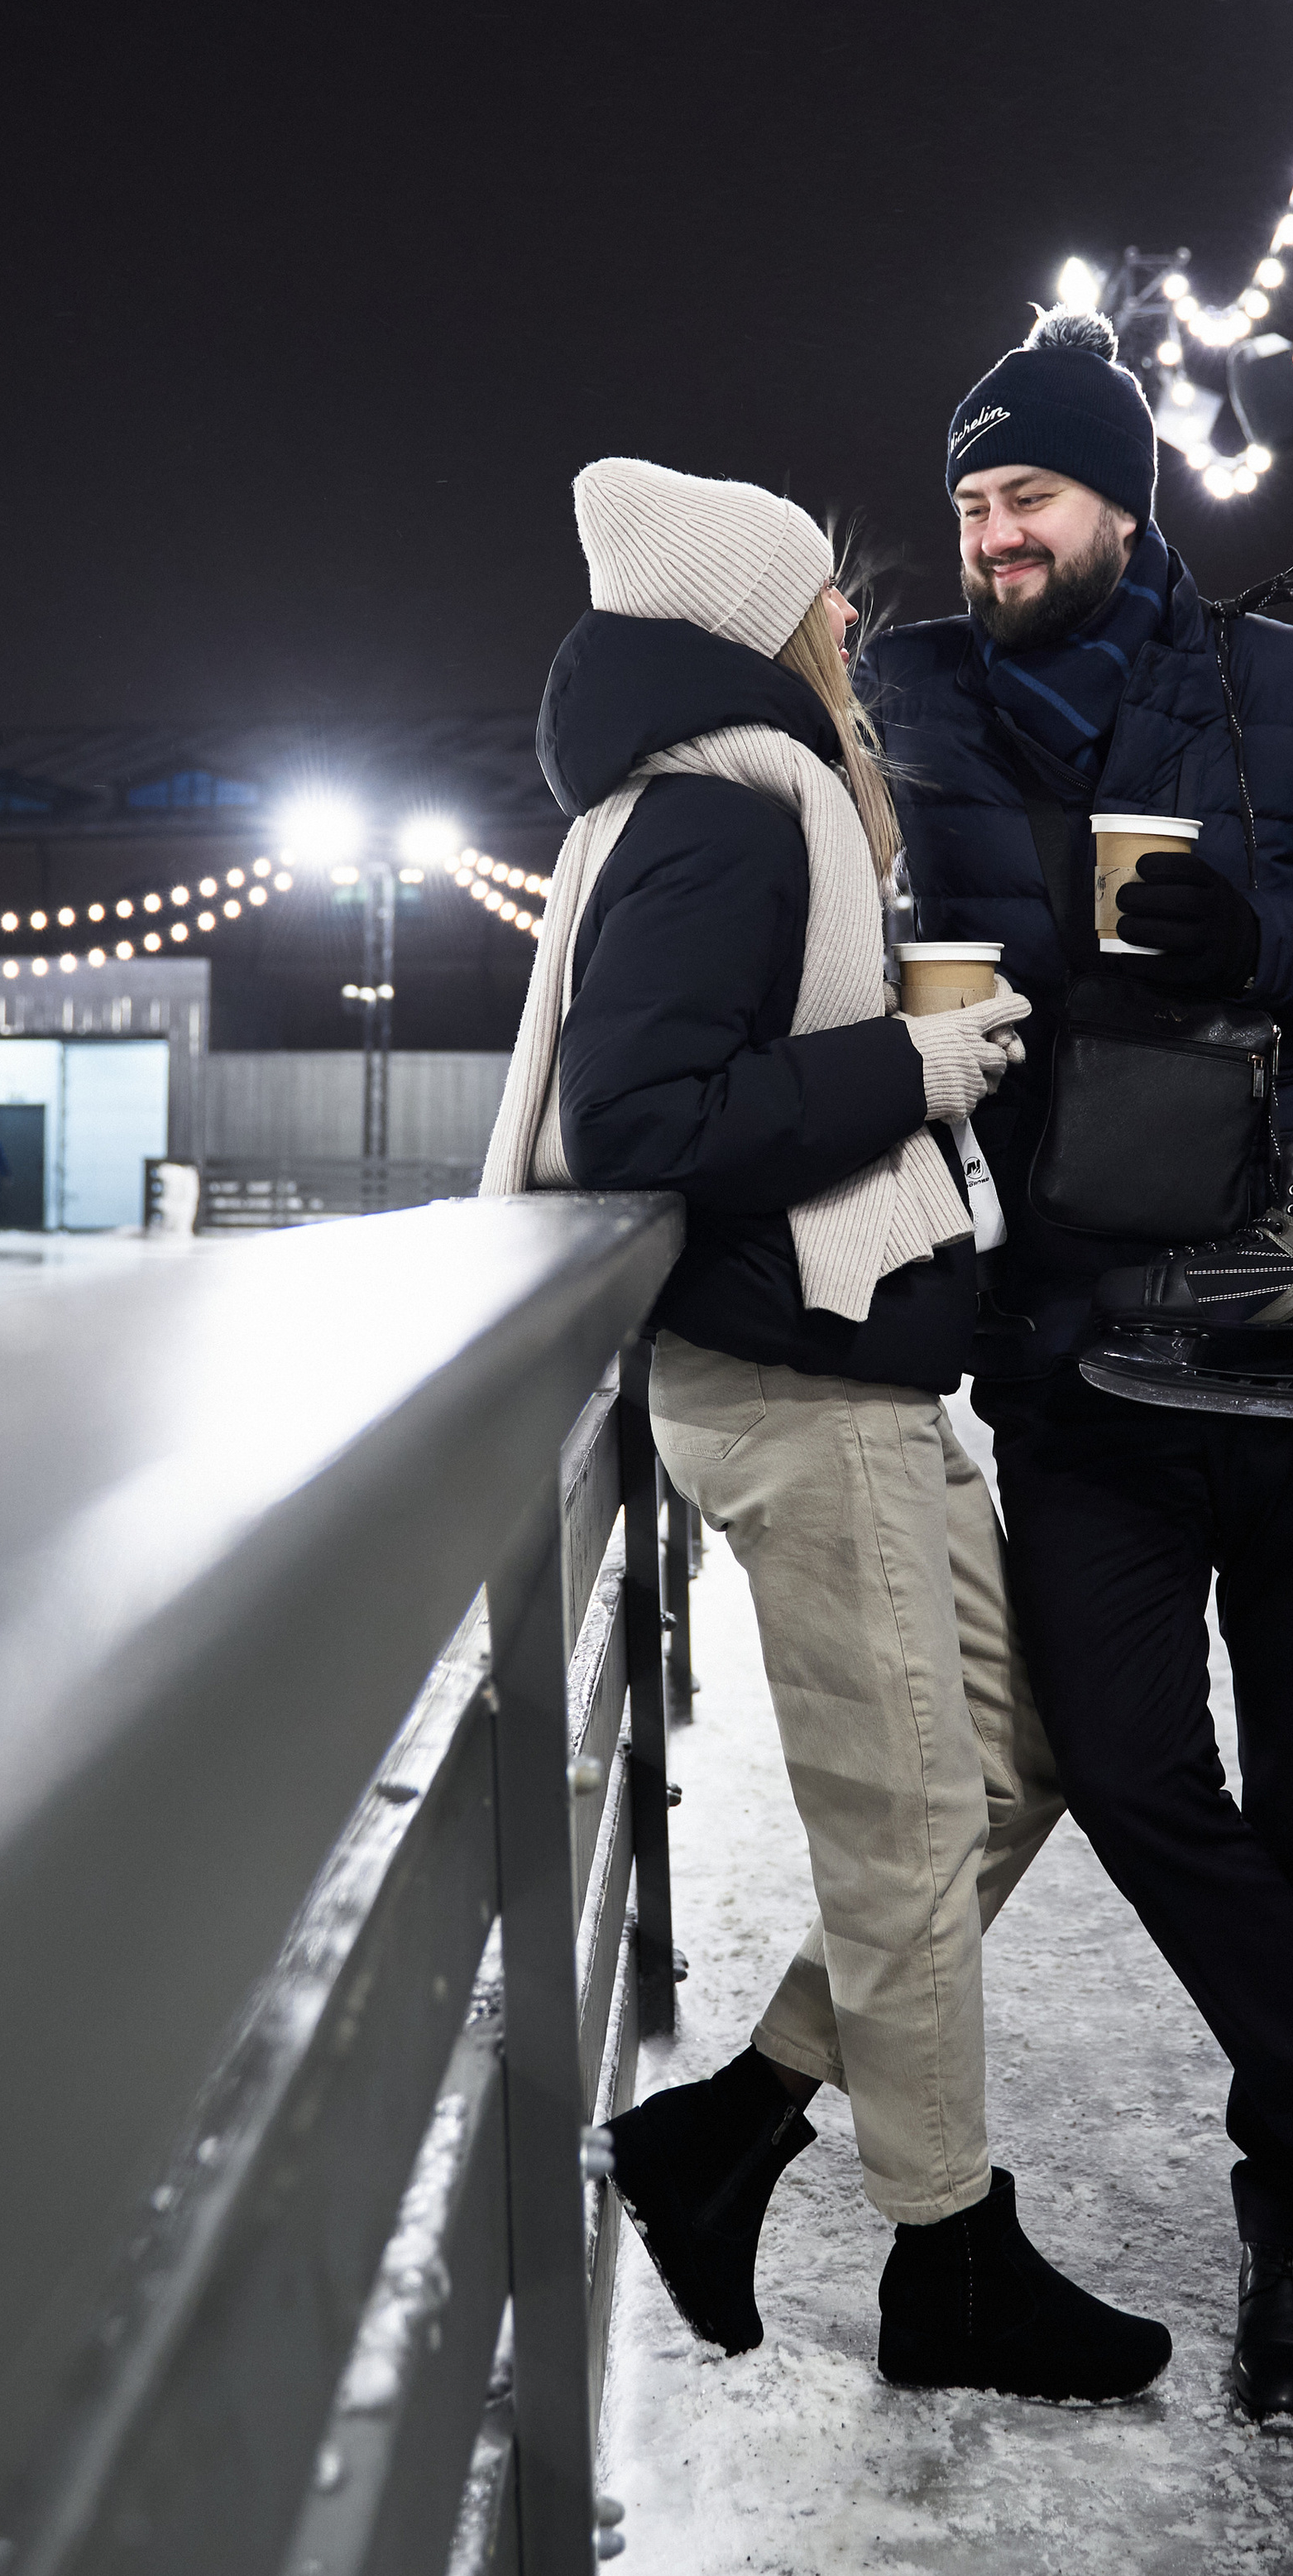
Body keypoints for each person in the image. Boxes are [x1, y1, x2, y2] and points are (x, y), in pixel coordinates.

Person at [483, 454, 1171, 2403]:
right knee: (904, 1824)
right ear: (750, 620)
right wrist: (907, 1061)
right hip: (801, 1382)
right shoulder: (723, 804)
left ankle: (730, 2132)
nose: (856, 616)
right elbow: (643, 1123)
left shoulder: (718, 793)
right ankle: (945, 2258)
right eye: (825, 589)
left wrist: (904, 1066)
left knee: (1022, 1758)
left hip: (837, 1373)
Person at [858, 312, 1293, 2435]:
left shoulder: (1287, 690)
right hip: (1069, 1352)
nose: (991, 533)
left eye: (1024, 493)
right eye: (966, 501)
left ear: (1121, 499)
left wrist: (1258, 939)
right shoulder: (905, 713)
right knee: (1128, 1767)